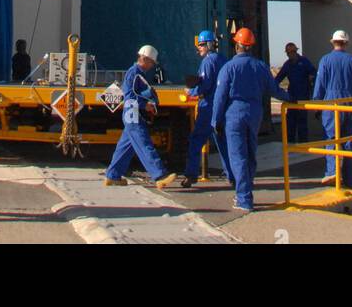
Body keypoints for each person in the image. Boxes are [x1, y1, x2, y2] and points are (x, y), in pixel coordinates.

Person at [212, 27, 280, 213]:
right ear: (251, 47)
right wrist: (292, 99)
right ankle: (246, 190)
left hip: (234, 114)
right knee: (250, 154)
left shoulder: (229, 68)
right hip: (254, 114)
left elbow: (220, 96)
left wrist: (215, 121)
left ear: (237, 46)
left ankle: (244, 199)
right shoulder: (261, 67)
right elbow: (274, 90)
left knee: (238, 156)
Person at [104, 46, 178, 189]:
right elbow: (129, 95)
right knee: (144, 144)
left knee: (125, 147)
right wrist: (145, 105)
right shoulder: (135, 73)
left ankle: (113, 176)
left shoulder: (137, 73)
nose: (151, 66)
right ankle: (160, 176)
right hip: (133, 114)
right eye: (151, 62)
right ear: (144, 58)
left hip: (132, 114)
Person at [312, 29, 352, 188]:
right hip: (351, 103)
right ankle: (349, 180)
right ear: (346, 43)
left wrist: (317, 104)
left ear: (333, 42)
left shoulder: (325, 60)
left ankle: (332, 172)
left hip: (331, 104)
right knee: (350, 141)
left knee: (331, 138)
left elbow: (320, 85)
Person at [180, 30, 232, 188]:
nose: (199, 48)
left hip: (208, 107)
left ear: (209, 44)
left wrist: (191, 92)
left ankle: (190, 175)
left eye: (202, 45)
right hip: (223, 107)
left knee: (196, 140)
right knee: (224, 143)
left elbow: (205, 84)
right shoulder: (224, 59)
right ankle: (233, 177)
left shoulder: (208, 61)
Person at [274, 41, 317, 143]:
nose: (291, 54)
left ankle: (304, 145)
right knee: (290, 124)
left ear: (296, 51)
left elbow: (314, 73)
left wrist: (311, 79)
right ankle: (290, 145)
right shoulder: (287, 65)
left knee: (302, 123)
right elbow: (278, 78)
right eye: (289, 53)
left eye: (293, 52)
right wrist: (272, 88)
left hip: (303, 97)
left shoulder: (304, 62)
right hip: (292, 98)